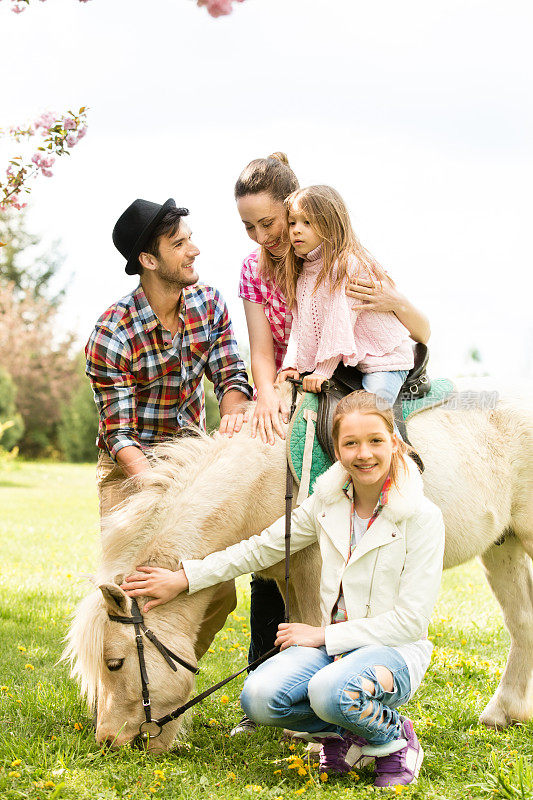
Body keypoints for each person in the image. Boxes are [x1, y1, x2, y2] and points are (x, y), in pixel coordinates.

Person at [121, 390, 445, 787]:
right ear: (336, 450)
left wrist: (322, 634)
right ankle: (347, 733)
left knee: (330, 692)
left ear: (394, 442)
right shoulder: (327, 502)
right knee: (258, 698)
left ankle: (394, 738)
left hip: (392, 652)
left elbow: (411, 623)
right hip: (337, 651)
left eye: (376, 440)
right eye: (351, 443)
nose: (364, 454)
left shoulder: (423, 518)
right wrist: (185, 578)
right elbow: (260, 548)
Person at [234, 153, 431, 733]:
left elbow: (359, 328)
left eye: (276, 222)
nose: (269, 236)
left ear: (302, 213)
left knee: (373, 421)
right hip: (299, 375)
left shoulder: (339, 261)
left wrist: (320, 367)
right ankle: (280, 668)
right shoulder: (271, 266)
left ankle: (393, 489)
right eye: (254, 227)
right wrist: (274, 385)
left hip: (361, 364)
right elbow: (278, 339)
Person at [86, 197, 253, 659]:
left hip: (191, 460)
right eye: (179, 243)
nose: (194, 250)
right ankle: (120, 684)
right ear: (148, 260)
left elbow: (232, 378)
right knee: (126, 591)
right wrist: (160, 495)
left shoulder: (209, 304)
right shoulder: (112, 332)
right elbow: (119, 435)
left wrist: (234, 418)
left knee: (217, 593)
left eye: (190, 238)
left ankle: (165, 680)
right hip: (131, 468)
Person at [278, 185, 414, 408]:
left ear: (330, 225)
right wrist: (292, 364)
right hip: (357, 365)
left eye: (307, 222)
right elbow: (300, 326)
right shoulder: (306, 271)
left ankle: (398, 443)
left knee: (370, 415)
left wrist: (322, 371)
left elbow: (338, 323)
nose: (296, 230)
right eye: (292, 222)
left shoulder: (347, 264)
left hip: (385, 361)